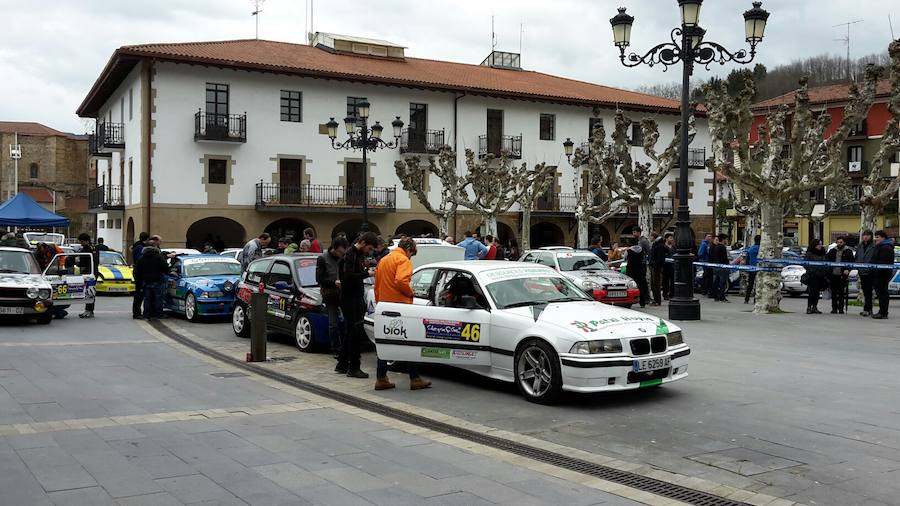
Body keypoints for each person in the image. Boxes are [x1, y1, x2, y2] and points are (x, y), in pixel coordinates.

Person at [373, 238, 432, 391]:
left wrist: (380, 302)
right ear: (409, 250)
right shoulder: (403, 260)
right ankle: (415, 378)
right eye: (412, 254)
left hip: (385, 306)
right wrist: (410, 293)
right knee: (408, 343)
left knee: (385, 343)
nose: (411, 257)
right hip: (401, 307)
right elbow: (401, 280)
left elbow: (377, 285)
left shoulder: (384, 260)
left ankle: (381, 378)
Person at [337, 232, 378, 378]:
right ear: (363, 243)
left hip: (352, 297)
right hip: (351, 298)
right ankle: (354, 367)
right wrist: (368, 274)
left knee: (350, 331)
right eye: (370, 248)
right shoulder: (351, 254)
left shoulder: (355, 255)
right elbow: (348, 277)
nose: (370, 251)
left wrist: (364, 270)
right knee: (354, 332)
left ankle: (342, 363)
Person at [317, 236, 348, 359]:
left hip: (343, 293)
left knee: (347, 321)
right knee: (333, 323)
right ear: (334, 249)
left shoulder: (344, 258)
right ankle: (336, 348)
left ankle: (346, 346)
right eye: (340, 251)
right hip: (330, 294)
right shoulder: (322, 259)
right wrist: (333, 282)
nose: (342, 254)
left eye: (344, 252)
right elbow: (319, 278)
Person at [134, 243, 168, 320]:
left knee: (147, 298)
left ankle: (146, 314)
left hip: (146, 281)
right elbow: (165, 268)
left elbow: (137, 270)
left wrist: (139, 280)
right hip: (158, 280)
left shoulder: (141, 258)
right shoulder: (159, 257)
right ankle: (158, 314)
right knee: (158, 298)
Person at [825, 236, 853, 314]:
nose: (839, 244)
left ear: (844, 242)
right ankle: (834, 308)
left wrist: (848, 269)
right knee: (833, 293)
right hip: (833, 274)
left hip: (842, 275)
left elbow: (852, 262)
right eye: (838, 242)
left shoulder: (848, 251)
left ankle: (841, 308)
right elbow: (827, 261)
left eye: (841, 242)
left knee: (841, 293)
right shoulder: (832, 251)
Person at [871, 230, 894, 319]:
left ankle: (883, 312)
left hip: (882, 273)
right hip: (879, 273)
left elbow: (882, 262)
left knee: (882, 293)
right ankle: (882, 311)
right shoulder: (880, 246)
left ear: (883, 238)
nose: (875, 239)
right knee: (881, 293)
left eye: (877, 237)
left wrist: (876, 271)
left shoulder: (886, 247)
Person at [75, 233, 99, 319]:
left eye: (81, 241)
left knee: (90, 292)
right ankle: (88, 310)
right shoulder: (93, 248)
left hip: (89, 273)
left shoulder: (87, 249)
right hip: (92, 272)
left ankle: (90, 311)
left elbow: (82, 262)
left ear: (86, 241)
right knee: (89, 292)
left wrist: (77, 262)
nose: (81, 243)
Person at [855, 230, 876, 317]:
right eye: (864, 235)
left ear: (871, 236)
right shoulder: (860, 245)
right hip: (861, 271)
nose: (866, 237)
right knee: (865, 291)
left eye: (868, 235)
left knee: (868, 291)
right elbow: (857, 256)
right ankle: (867, 308)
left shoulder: (874, 246)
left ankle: (867, 309)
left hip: (870, 272)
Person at [804, 239, 828, 314]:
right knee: (812, 292)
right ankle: (809, 307)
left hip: (821, 275)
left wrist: (824, 271)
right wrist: (812, 271)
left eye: (821, 244)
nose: (820, 246)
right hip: (812, 275)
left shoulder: (823, 253)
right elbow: (806, 264)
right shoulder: (809, 253)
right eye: (819, 244)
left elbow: (825, 263)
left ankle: (815, 307)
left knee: (817, 292)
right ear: (815, 245)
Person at [625, 240, 648, 308]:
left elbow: (625, 259)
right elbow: (644, 260)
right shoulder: (642, 251)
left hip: (630, 270)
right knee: (641, 286)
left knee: (630, 286)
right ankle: (643, 302)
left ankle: (629, 301)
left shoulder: (628, 251)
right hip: (640, 270)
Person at [709, 234, 731, 302]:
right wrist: (727, 264)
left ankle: (716, 296)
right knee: (722, 282)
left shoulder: (716, 247)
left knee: (716, 281)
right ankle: (722, 297)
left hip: (715, 266)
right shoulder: (723, 247)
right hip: (722, 266)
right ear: (723, 239)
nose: (726, 241)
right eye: (726, 239)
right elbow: (724, 258)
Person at [649, 233, 667, 306]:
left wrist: (655, 264)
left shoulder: (659, 245)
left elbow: (660, 258)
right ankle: (655, 299)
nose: (650, 238)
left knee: (656, 284)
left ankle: (657, 300)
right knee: (653, 284)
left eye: (651, 236)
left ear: (653, 237)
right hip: (654, 266)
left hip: (657, 268)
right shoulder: (655, 244)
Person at [744, 235, 761, 304]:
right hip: (759, 268)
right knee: (758, 284)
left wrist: (747, 267)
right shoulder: (761, 249)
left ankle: (747, 298)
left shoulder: (750, 249)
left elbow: (747, 259)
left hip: (751, 268)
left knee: (750, 284)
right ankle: (756, 299)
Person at [662, 233, 675, 300]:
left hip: (673, 266)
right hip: (666, 266)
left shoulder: (673, 247)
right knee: (665, 281)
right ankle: (665, 294)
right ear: (666, 239)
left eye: (672, 238)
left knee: (673, 281)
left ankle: (672, 294)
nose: (672, 239)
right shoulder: (664, 247)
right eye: (670, 238)